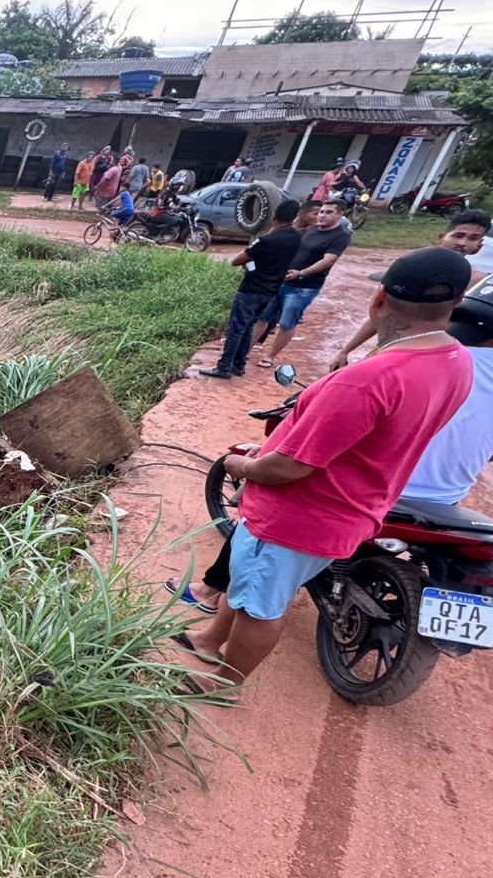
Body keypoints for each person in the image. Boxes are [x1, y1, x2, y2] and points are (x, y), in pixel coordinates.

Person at [172, 247, 475, 692]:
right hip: (355, 503)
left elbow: (288, 469)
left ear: (379, 299)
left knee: (260, 605)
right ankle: (209, 638)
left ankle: (223, 683)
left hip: (298, 517)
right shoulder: (454, 360)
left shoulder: (367, 380)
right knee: (246, 578)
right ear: (457, 302)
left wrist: (237, 464)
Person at [328, 210, 491, 371]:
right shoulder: (411, 268)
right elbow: (381, 311)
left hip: (433, 361)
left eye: (473, 238)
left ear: (478, 247)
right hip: (390, 350)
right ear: (442, 237)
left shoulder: (477, 284)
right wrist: (345, 351)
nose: (463, 243)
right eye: (458, 235)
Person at [199, 199, 304, 379]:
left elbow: (236, 260)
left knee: (236, 328)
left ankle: (224, 367)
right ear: (294, 217)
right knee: (248, 327)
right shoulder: (296, 237)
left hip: (251, 289)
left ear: (274, 216)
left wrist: (264, 239)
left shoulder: (267, 240)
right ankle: (239, 365)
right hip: (271, 291)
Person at [251, 200, 352, 370]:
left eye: (328, 212)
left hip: (304, 287)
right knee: (263, 317)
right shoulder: (310, 229)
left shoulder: (340, 236)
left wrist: (301, 273)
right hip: (282, 280)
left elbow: (328, 260)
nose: (322, 215)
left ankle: (270, 356)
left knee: (287, 322)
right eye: (321, 212)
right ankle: (245, 350)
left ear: (339, 215)